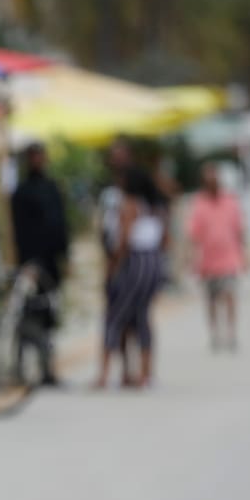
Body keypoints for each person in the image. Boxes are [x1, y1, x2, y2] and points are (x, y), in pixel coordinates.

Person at [94, 168, 167, 389]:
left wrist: (113, 266)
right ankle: (145, 373)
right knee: (141, 317)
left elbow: (124, 240)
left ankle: (104, 376)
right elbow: (165, 239)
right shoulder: (155, 208)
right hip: (154, 262)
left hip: (135, 262)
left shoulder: (129, 204)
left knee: (114, 317)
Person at [10, 142, 69, 385]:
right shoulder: (22, 192)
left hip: (51, 263)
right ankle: (23, 368)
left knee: (48, 315)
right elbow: (19, 231)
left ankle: (47, 368)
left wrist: (65, 256)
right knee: (28, 315)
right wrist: (26, 263)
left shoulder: (52, 188)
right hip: (31, 263)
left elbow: (61, 225)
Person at [187, 162, 250, 351]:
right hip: (208, 259)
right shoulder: (199, 202)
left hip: (229, 257)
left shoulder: (230, 201)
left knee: (229, 295)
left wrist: (245, 255)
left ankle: (231, 333)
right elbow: (193, 234)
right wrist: (191, 258)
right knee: (211, 299)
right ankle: (215, 333)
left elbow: (239, 230)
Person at [97, 137, 137, 384]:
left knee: (126, 320)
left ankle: (125, 371)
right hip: (115, 261)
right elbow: (103, 229)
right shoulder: (109, 194)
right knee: (114, 318)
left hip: (129, 264)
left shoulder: (134, 194)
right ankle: (112, 372)